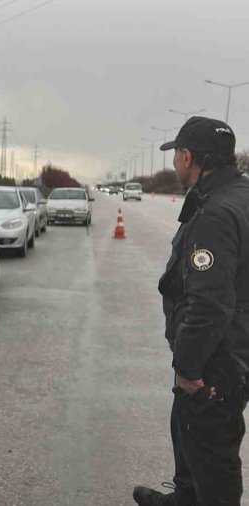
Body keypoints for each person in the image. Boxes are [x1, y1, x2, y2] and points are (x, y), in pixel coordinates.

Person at [134, 116, 249, 506]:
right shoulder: (240, 194)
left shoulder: (216, 213)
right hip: (235, 346)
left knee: (213, 454)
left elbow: (210, 304)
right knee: (189, 432)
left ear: (187, 157)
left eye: (177, 156)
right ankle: (184, 496)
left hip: (219, 356)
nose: (175, 164)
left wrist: (187, 369)